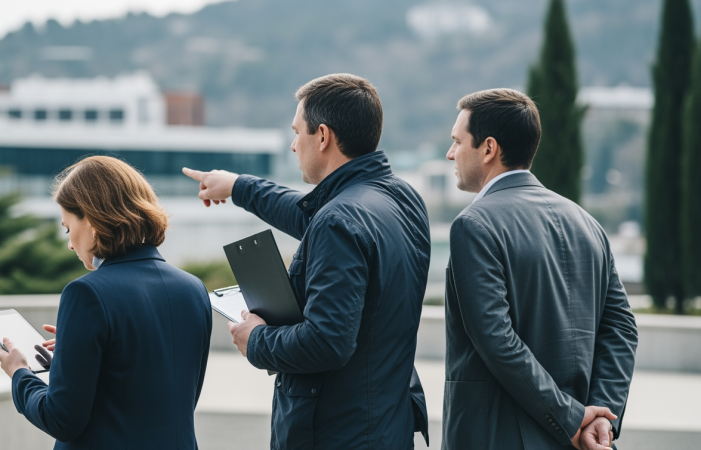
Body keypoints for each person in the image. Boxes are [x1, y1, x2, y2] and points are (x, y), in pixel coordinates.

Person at [183, 73, 432, 449]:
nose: (293, 145)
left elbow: (327, 342)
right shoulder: (403, 200)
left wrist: (256, 340)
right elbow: (309, 215)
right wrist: (238, 186)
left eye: (297, 132)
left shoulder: (338, 219)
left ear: (323, 136)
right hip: (387, 426)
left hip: (336, 434)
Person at [442, 88, 638, 450]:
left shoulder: (473, 225)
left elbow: (497, 339)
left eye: (457, 141)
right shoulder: (587, 222)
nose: (451, 153)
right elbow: (622, 328)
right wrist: (601, 418)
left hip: (495, 437)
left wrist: (571, 417)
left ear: (488, 148)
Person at [0, 156, 212, 450]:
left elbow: (61, 419)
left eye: (67, 227)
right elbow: (169, 397)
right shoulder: (193, 288)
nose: (70, 243)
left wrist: (19, 373)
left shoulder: (86, 293)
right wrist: (81, 356)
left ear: (92, 219)